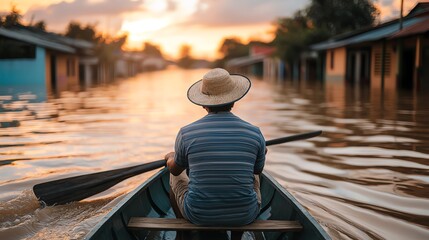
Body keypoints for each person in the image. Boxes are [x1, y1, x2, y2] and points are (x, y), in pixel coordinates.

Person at [165, 68, 266, 227]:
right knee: (255, 176)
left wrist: (170, 158)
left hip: (198, 215)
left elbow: (175, 170)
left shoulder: (186, 133)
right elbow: (257, 170)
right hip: (245, 215)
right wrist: (260, 152)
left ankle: (183, 232)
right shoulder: (255, 133)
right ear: (233, 101)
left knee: (174, 175)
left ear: (204, 104)